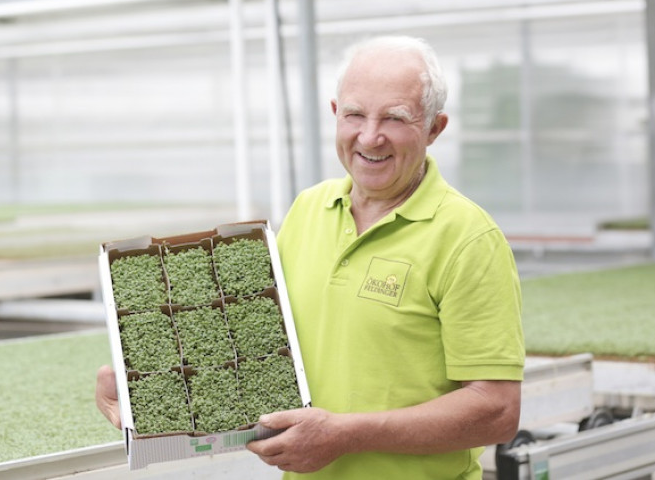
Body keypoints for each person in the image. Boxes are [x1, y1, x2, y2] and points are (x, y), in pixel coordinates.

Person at [96, 35, 524, 479]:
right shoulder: (308, 210)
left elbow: (496, 410)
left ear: (434, 128)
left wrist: (347, 434)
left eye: (394, 118)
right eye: (355, 114)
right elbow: (246, 340)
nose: (370, 136)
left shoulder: (468, 238)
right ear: (336, 113)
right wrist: (137, 386)